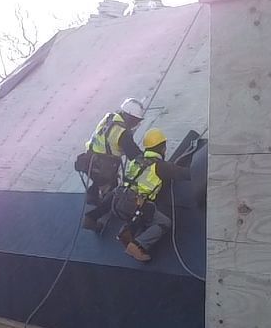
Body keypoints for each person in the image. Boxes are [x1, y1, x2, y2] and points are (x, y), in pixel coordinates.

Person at [110, 128, 190, 263]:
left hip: (120, 199)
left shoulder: (136, 160)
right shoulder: (160, 166)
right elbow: (184, 174)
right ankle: (136, 246)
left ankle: (126, 232)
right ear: (162, 148)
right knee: (163, 222)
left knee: (142, 217)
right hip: (136, 203)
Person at [78, 98, 145, 229]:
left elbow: (108, 139)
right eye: (135, 121)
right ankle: (92, 218)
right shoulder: (123, 133)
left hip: (88, 160)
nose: (136, 124)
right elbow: (135, 155)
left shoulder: (110, 117)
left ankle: (92, 196)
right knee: (115, 193)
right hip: (103, 169)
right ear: (128, 116)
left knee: (100, 181)